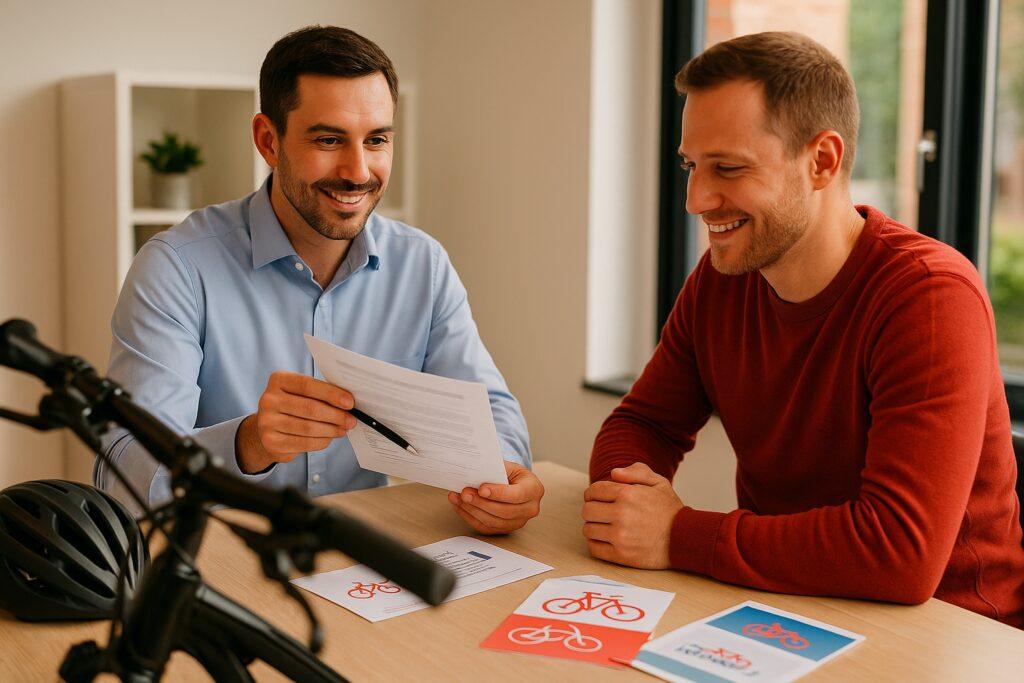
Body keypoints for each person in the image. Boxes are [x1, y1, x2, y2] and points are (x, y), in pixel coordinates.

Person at [583, 31, 1024, 627]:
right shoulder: (724, 277)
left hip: (947, 631)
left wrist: (677, 535)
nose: (695, 199)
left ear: (822, 161)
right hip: (789, 608)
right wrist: (628, 502)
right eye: (691, 165)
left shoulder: (931, 297)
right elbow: (644, 423)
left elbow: (900, 553)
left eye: (728, 168)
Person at [95, 25, 543, 535]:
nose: (357, 171)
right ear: (269, 140)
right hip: (217, 564)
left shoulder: (423, 266)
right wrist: (250, 441)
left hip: (359, 564)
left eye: (376, 140)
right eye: (329, 140)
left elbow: (489, 412)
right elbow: (121, 479)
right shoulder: (176, 267)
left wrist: (505, 476)